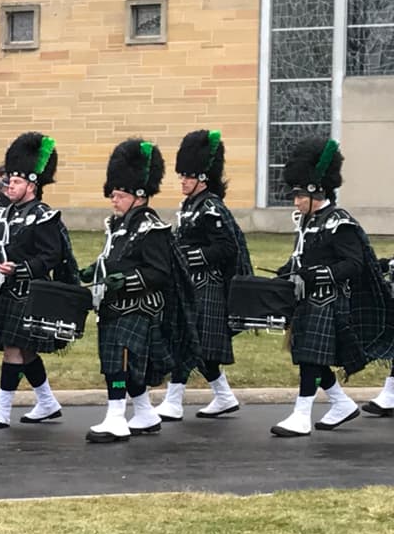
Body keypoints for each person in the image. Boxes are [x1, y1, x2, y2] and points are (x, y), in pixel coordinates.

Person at [269, 137, 394, 437]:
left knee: (311, 356)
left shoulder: (339, 222)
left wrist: (316, 275)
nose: (295, 201)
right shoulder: (308, 222)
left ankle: (301, 415)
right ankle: (340, 404)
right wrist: (285, 274)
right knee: (308, 354)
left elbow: (354, 264)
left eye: (298, 195)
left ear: (315, 191)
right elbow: (300, 258)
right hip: (307, 301)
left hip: (330, 302)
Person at [84, 139, 200, 443]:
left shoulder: (152, 228)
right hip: (114, 305)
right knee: (121, 362)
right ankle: (145, 413)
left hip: (137, 306)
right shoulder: (119, 225)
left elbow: (159, 273)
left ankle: (116, 418)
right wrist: (95, 271)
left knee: (119, 362)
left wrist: (125, 281)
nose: (113, 200)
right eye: (113, 194)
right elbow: (113, 260)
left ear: (138, 196)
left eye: (119, 195)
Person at [0, 132, 78, 429]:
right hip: (6, 289)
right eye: (8, 181)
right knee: (23, 350)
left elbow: (51, 256)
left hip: (29, 290)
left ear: (32, 185)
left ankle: (2, 410)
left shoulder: (43, 216)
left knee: (13, 349)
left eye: (16, 182)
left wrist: (19, 269)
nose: (9, 186)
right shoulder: (6, 213)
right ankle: (47, 402)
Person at [152, 131, 252, 421]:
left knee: (188, 340)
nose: (182, 180)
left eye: (187, 176)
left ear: (203, 179)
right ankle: (224, 396)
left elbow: (226, 247)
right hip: (192, 284)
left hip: (207, 283)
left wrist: (188, 259)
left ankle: (173, 401)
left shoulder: (211, 207)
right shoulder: (190, 205)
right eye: (181, 175)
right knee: (196, 343)